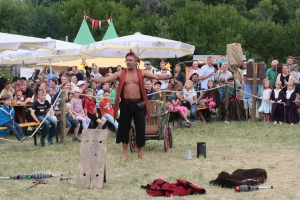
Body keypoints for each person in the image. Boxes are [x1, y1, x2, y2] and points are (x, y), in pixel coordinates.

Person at [91, 50, 172, 160]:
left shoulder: (141, 73)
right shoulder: (121, 73)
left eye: (130, 60)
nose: (128, 62)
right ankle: (125, 154)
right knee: (124, 128)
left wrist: (169, 77)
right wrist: (93, 79)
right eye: (127, 60)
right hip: (125, 104)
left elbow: (156, 76)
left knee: (140, 128)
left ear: (136, 62)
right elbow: (106, 79)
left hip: (139, 104)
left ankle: (140, 153)